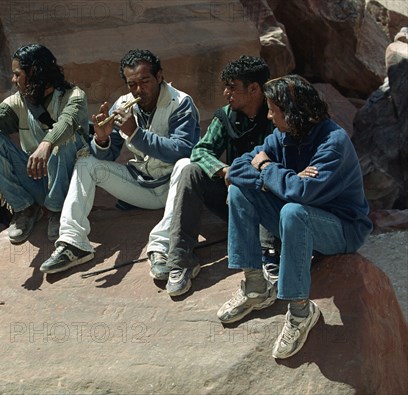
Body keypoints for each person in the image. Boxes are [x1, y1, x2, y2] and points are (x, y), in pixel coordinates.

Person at [217, 75, 372, 359]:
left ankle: (301, 311)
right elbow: (237, 168)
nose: (268, 115)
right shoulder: (283, 136)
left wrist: (266, 167)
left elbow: (300, 192)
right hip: (299, 221)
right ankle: (255, 287)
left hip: (341, 229)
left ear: (293, 112)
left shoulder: (333, 142)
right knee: (240, 192)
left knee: (292, 209)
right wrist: (276, 177)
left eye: (273, 110)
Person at [40, 49, 201, 274]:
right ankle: (73, 243)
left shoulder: (180, 102)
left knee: (185, 165)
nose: (138, 90)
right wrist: (102, 139)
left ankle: (162, 247)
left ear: (160, 77)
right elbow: (106, 156)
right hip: (141, 187)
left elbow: (183, 149)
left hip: (173, 188)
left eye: (145, 81)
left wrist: (136, 134)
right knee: (86, 163)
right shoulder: (123, 105)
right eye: (131, 84)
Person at [146, 55, 278, 297]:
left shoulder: (276, 115)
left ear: (254, 88)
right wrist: (224, 170)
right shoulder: (226, 116)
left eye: (232, 87)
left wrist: (245, 174)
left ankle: (269, 255)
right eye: (225, 87)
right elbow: (200, 150)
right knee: (190, 170)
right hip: (234, 200)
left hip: (269, 204)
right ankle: (181, 260)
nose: (226, 93)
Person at [0, 44, 89, 244]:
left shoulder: (74, 96)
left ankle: (58, 211)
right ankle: (26, 208)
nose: (13, 80)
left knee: (64, 141)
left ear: (34, 72)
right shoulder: (20, 101)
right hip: (37, 176)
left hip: (71, 181)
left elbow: (68, 122)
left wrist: (46, 144)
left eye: (17, 74)